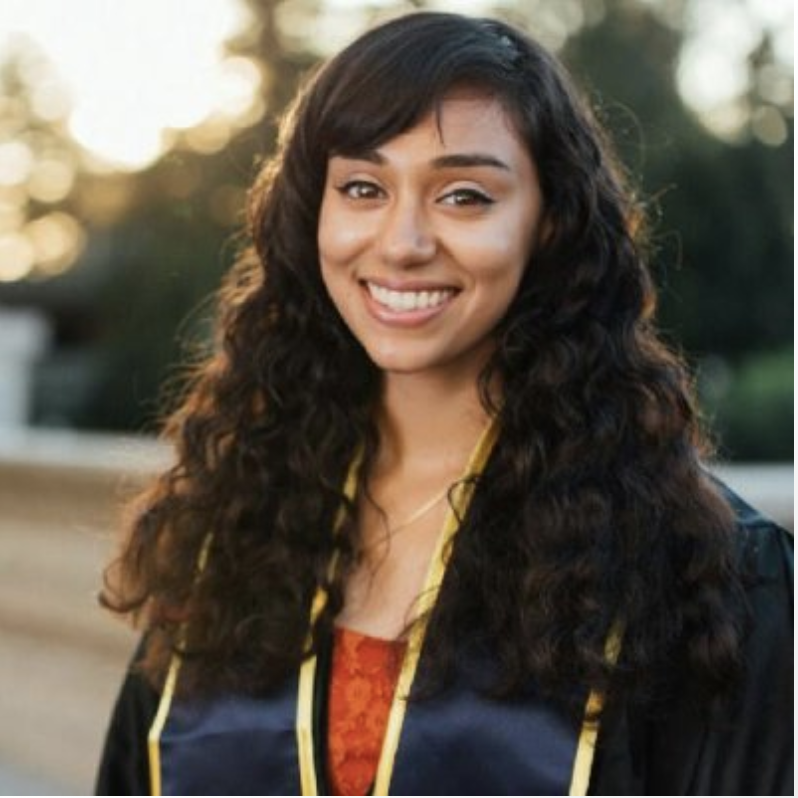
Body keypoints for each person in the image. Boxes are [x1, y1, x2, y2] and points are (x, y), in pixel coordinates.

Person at [96, 11, 792, 796]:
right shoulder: (238, 524)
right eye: (362, 187)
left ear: (550, 223)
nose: (402, 242)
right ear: (312, 213)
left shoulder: (698, 568)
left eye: (464, 196)